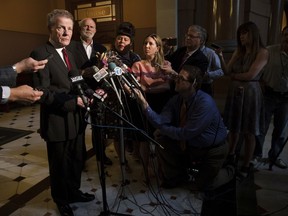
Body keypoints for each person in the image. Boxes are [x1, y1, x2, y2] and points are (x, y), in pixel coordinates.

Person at [30, 9, 95, 216]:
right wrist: (71, 100)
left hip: (76, 118)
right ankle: (61, 199)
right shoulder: (40, 53)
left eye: (70, 28)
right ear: (51, 29)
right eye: (61, 28)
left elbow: (76, 80)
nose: (67, 33)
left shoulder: (69, 53)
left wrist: (90, 92)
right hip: (57, 119)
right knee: (59, 164)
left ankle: (74, 191)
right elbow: (43, 93)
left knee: (76, 158)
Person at [133, 64, 233, 191]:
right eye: (177, 77)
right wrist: (145, 105)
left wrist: (159, 125)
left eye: (181, 78)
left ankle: (230, 169)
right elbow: (161, 120)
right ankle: (177, 176)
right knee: (162, 141)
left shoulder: (204, 103)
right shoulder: (177, 99)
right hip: (191, 146)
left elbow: (185, 134)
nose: (177, 80)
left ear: (194, 84)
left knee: (203, 186)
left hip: (212, 150)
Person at [218, 21, 268, 175]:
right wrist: (220, 56)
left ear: (253, 34)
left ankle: (246, 164)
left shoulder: (262, 52)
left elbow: (251, 75)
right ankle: (231, 155)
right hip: (235, 93)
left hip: (251, 93)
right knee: (233, 128)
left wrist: (234, 76)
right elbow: (226, 71)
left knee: (249, 131)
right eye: (240, 33)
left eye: (245, 33)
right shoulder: (238, 51)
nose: (242, 36)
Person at [68, 17, 112, 167]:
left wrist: (99, 74)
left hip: (96, 92)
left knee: (99, 127)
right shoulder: (71, 47)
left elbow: (103, 74)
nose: (88, 28)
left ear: (95, 30)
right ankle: (80, 159)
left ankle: (101, 155)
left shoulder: (102, 49)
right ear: (80, 29)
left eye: (91, 26)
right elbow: (69, 71)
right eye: (85, 26)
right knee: (79, 127)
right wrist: (83, 72)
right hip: (78, 91)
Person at [131, 33, 174, 180]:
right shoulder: (138, 64)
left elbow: (167, 86)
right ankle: (145, 169)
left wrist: (148, 88)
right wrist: (153, 87)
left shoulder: (165, 64)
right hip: (144, 103)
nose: (146, 46)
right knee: (144, 138)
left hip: (162, 104)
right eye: (145, 43)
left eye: (150, 44)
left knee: (161, 137)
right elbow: (136, 87)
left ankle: (163, 168)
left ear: (158, 47)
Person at [255, 26, 288, 169]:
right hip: (269, 94)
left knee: (281, 129)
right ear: (282, 35)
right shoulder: (268, 51)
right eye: (286, 34)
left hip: (286, 98)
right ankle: (256, 155)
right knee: (261, 127)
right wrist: (261, 85)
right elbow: (259, 71)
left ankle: (274, 156)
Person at [199, 26, 224, 96]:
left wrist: (208, 74)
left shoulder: (211, 53)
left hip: (205, 86)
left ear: (202, 41)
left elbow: (220, 71)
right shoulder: (187, 51)